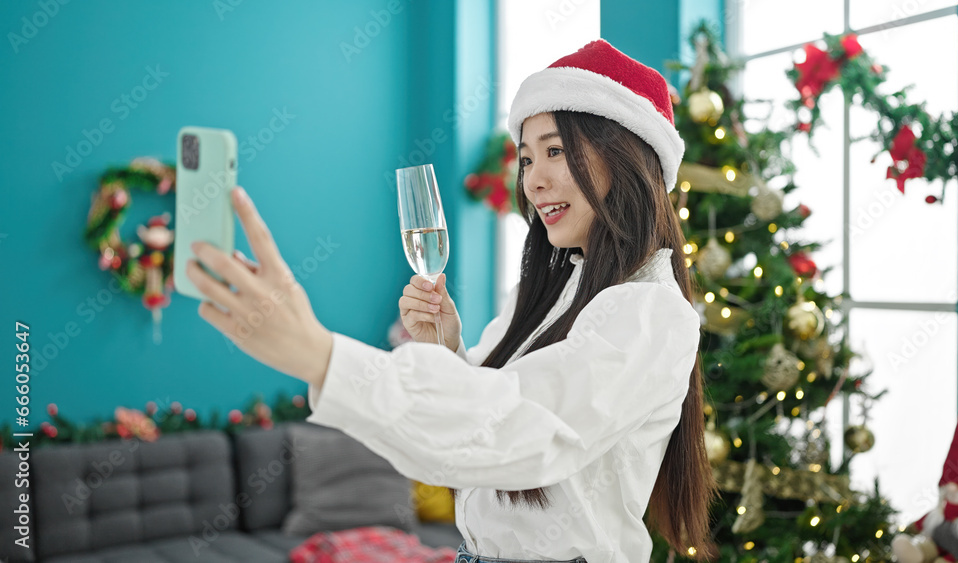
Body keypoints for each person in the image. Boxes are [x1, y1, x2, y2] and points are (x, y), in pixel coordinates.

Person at [189, 39, 718, 563]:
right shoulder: (546, 295)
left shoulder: (650, 314)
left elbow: (519, 431)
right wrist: (448, 350)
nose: (533, 181)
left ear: (627, 155)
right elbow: (483, 418)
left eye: (555, 151)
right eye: (527, 159)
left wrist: (319, 355)